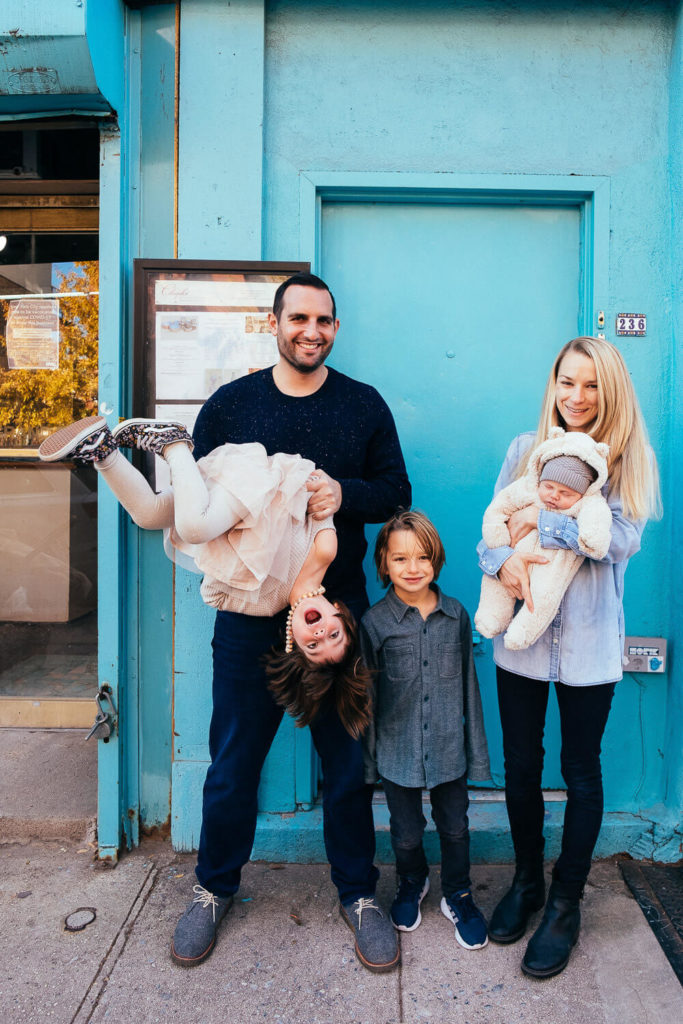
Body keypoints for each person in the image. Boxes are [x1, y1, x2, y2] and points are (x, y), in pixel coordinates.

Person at [149, 272, 409, 971]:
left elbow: (394, 492)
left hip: (333, 614)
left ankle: (358, 895)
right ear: (274, 323)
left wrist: (343, 491)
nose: (311, 331)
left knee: (347, 763)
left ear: (334, 327)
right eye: (298, 318)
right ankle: (211, 889)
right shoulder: (231, 405)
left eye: (323, 320)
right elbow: (195, 501)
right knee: (234, 760)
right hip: (246, 614)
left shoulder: (362, 405)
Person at [477, 336, 660, 979]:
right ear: (552, 384)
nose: (576, 398)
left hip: (588, 644)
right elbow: (491, 534)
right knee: (521, 765)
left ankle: (564, 903)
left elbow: (616, 543)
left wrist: (548, 522)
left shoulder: (624, 463)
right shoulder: (524, 452)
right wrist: (504, 560)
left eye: (591, 387)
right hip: (521, 638)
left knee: (580, 769)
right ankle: (527, 883)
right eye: (566, 382)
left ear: (609, 394)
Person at [38, 417, 372, 737]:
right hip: (260, 487)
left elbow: (212, 593)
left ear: (294, 643)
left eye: (313, 644)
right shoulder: (325, 552)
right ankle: (174, 442)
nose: (319, 632)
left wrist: (235, 570)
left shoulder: (265, 604)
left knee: (150, 515)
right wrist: (319, 487)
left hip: (219, 511)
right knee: (194, 528)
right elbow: (314, 491)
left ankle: (101, 450)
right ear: (340, 615)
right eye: (334, 634)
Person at [360, 509, 491, 949]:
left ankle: (458, 894)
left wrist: (477, 753)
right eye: (400, 559)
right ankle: (411, 882)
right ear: (383, 563)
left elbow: (469, 689)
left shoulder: (456, 616)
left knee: (455, 827)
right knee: (406, 830)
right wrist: (369, 762)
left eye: (422, 558)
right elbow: (369, 699)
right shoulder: (374, 624)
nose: (412, 569)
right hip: (397, 752)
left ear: (436, 560)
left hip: (448, 749)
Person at [474, 427, 612, 651]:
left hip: (552, 565)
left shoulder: (589, 502)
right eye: (549, 487)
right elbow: (499, 507)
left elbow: (600, 527)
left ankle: (523, 632)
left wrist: (589, 536)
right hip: (513, 552)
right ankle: (492, 616)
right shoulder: (528, 488)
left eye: (566, 493)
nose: (554, 496)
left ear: (581, 493)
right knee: (496, 582)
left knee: (543, 595)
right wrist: (498, 542)